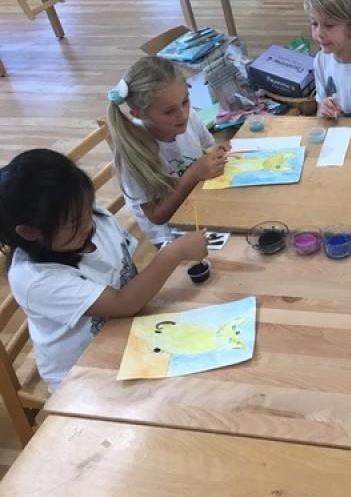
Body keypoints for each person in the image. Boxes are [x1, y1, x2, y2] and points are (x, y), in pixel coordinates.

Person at [0, 149, 208, 391]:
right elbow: (121, 303)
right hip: (82, 374)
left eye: (87, 208)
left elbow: (128, 270)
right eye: (75, 222)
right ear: (30, 232)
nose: (88, 222)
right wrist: (174, 253)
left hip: (129, 334)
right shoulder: (35, 279)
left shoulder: (95, 221)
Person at [107, 56, 229, 246]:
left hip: (199, 203)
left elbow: (204, 151)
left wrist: (216, 155)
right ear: (139, 114)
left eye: (185, 102)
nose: (183, 114)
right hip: (171, 235)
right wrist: (192, 175)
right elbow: (157, 217)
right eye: (169, 111)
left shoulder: (190, 118)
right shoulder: (132, 155)